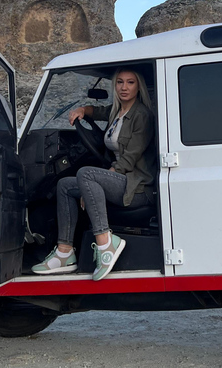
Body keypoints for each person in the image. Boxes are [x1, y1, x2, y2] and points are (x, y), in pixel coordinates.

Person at [32, 68, 157, 281]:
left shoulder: (142, 115)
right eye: (119, 82)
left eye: (130, 82)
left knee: (86, 174)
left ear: (138, 87)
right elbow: (96, 111)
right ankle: (65, 252)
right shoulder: (117, 112)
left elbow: (130, 158)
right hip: (118, 179)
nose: (124, 87)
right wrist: (82, 110)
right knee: (65, 185)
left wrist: (95, 182)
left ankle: (106, 244)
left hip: (135, 186)